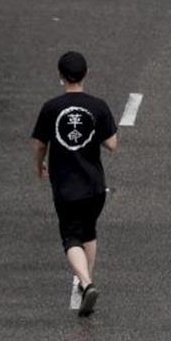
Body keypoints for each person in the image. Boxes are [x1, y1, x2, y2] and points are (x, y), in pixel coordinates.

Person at [31, 51, 118, 317]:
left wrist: (39, 165)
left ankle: (86, 283)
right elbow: (113, 144)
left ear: (60, 76)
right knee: (88, 232)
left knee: (71, 237)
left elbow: (39, 144)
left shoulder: (51, 108)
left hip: (67, 186)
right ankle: (85, 286)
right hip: (94, 186)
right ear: (86, 74)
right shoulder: (98, 106)